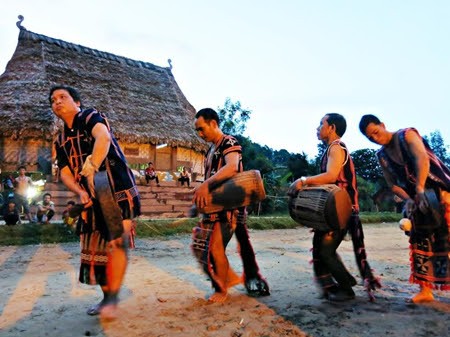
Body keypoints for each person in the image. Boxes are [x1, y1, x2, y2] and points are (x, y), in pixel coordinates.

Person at [49, 85, 141, 319]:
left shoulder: (89, 116)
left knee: (115, 244)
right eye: (53, 100)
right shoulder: (60, 140)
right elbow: (66, 172)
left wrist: (91, 167)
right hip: (91, 195)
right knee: (94, 250)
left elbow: (103, 137)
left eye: (63, 97)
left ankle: (111, 299)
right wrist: (80, 192)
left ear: (76, 102)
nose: (57, 102)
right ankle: (107, 296)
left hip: (116, 190)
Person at [288, 113, 380, 302]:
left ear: (332, 128)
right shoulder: (331, 148)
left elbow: (331, 176)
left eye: (321, 123)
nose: (318, 127)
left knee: (325, 251)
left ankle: (346, 289)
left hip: (341, 210)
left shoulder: (337, 148)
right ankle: (341, 282)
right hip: (336, 208)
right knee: (321, 248)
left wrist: (303, 181)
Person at [359, 114, 450, 303]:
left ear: (383, 125)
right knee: (420, 243)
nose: (375, 139)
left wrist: (420, 187)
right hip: (417, 199)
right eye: (370, 138)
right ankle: (425, 290)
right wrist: (409, 199)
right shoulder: (382, 156)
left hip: (440, 192)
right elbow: (393, 185)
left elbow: (422, 159)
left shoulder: (406, 135)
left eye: (376, 132)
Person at [192, 108, 269, 303]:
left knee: (215, 248)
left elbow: (232, 167)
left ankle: (222, 290)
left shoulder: (229, 141)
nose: (200, 134)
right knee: (207, 248)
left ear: (214, 124)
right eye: (197, 131)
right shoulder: (211, 150)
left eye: (202, 129)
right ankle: (235, 280)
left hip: (230, 208)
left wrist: (205, 186)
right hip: (217, 207)